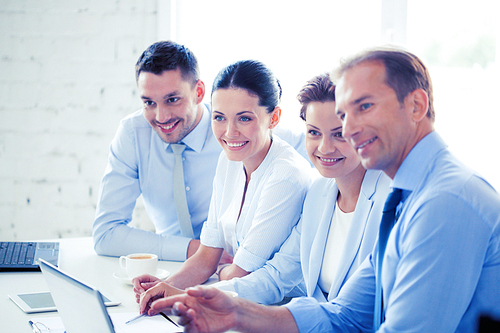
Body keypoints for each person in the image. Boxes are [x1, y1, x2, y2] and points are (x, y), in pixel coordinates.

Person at [152, 47, 500, 333]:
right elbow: (346, 314)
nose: (350, 130)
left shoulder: (445, 201)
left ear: (416, 106)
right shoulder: (408, 196)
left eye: (364, 107)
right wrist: (236, 311)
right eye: (345, 114)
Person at [92, 41, 307, 262]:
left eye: (172, 100)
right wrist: (198, 252)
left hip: (243, 269)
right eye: (149, 103)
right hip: (174, 264)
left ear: (199, 92)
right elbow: (106, 234)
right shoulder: (133, 134)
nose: (161, 116)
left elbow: (321, 154)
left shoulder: (243, 130)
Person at [200, 73, 391, 305]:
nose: (325, 147)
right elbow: (278, 275)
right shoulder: (319, 194)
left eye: (339, 134)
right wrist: (197, 297)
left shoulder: (391, 201)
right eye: (314, 132)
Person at [134, 60, 312, 303]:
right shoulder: (229, 161)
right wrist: (166, 286)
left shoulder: (286, 175)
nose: (229, 132)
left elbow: (240, 273)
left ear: (274, 118)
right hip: (229, 299)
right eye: (219, 118)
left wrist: (188, 291)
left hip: (275, 311)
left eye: (244, 119)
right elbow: (207, 256)